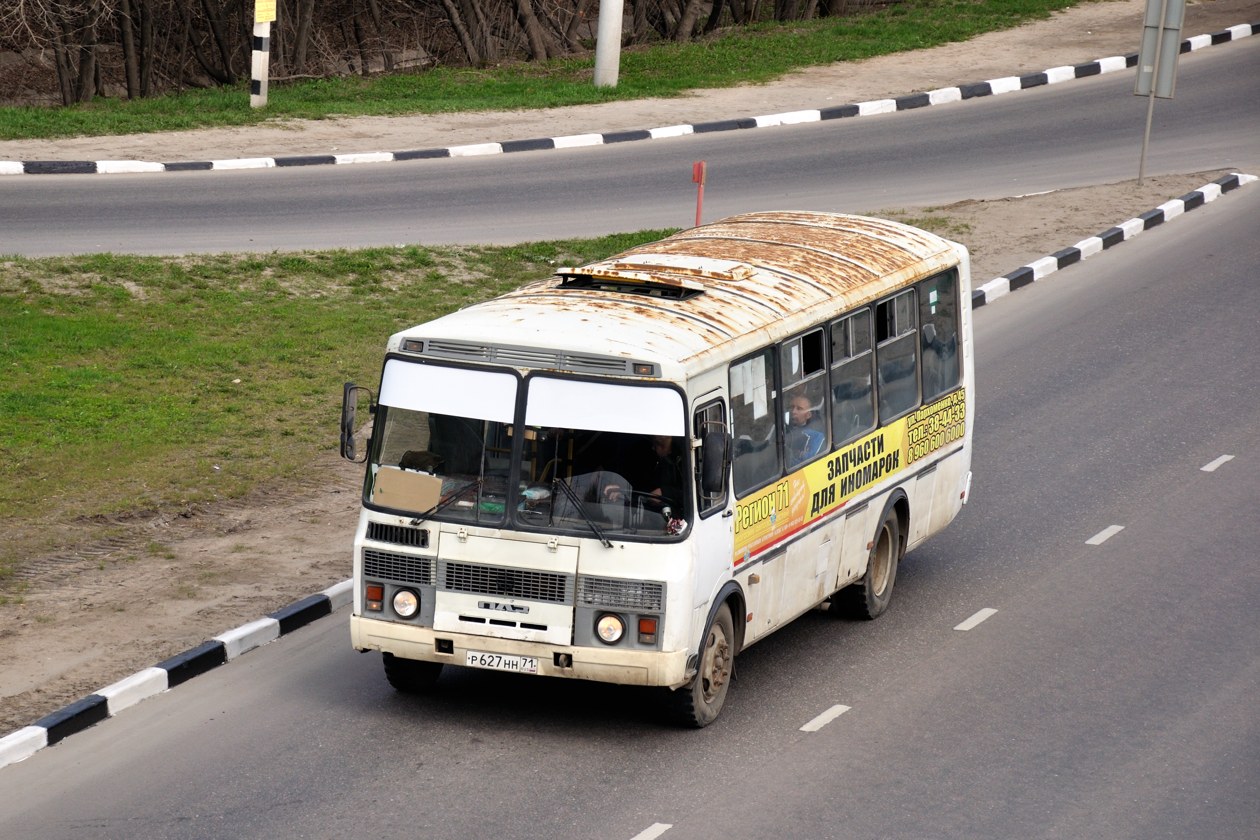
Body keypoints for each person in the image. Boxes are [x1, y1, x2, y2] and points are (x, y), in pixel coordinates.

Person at [786, 393, 825, 467]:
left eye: (799, 409)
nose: (793, 411)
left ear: (808, 415)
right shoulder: (782, 429)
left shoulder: (816, 436)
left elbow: (808, 462)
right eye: (792, 407)